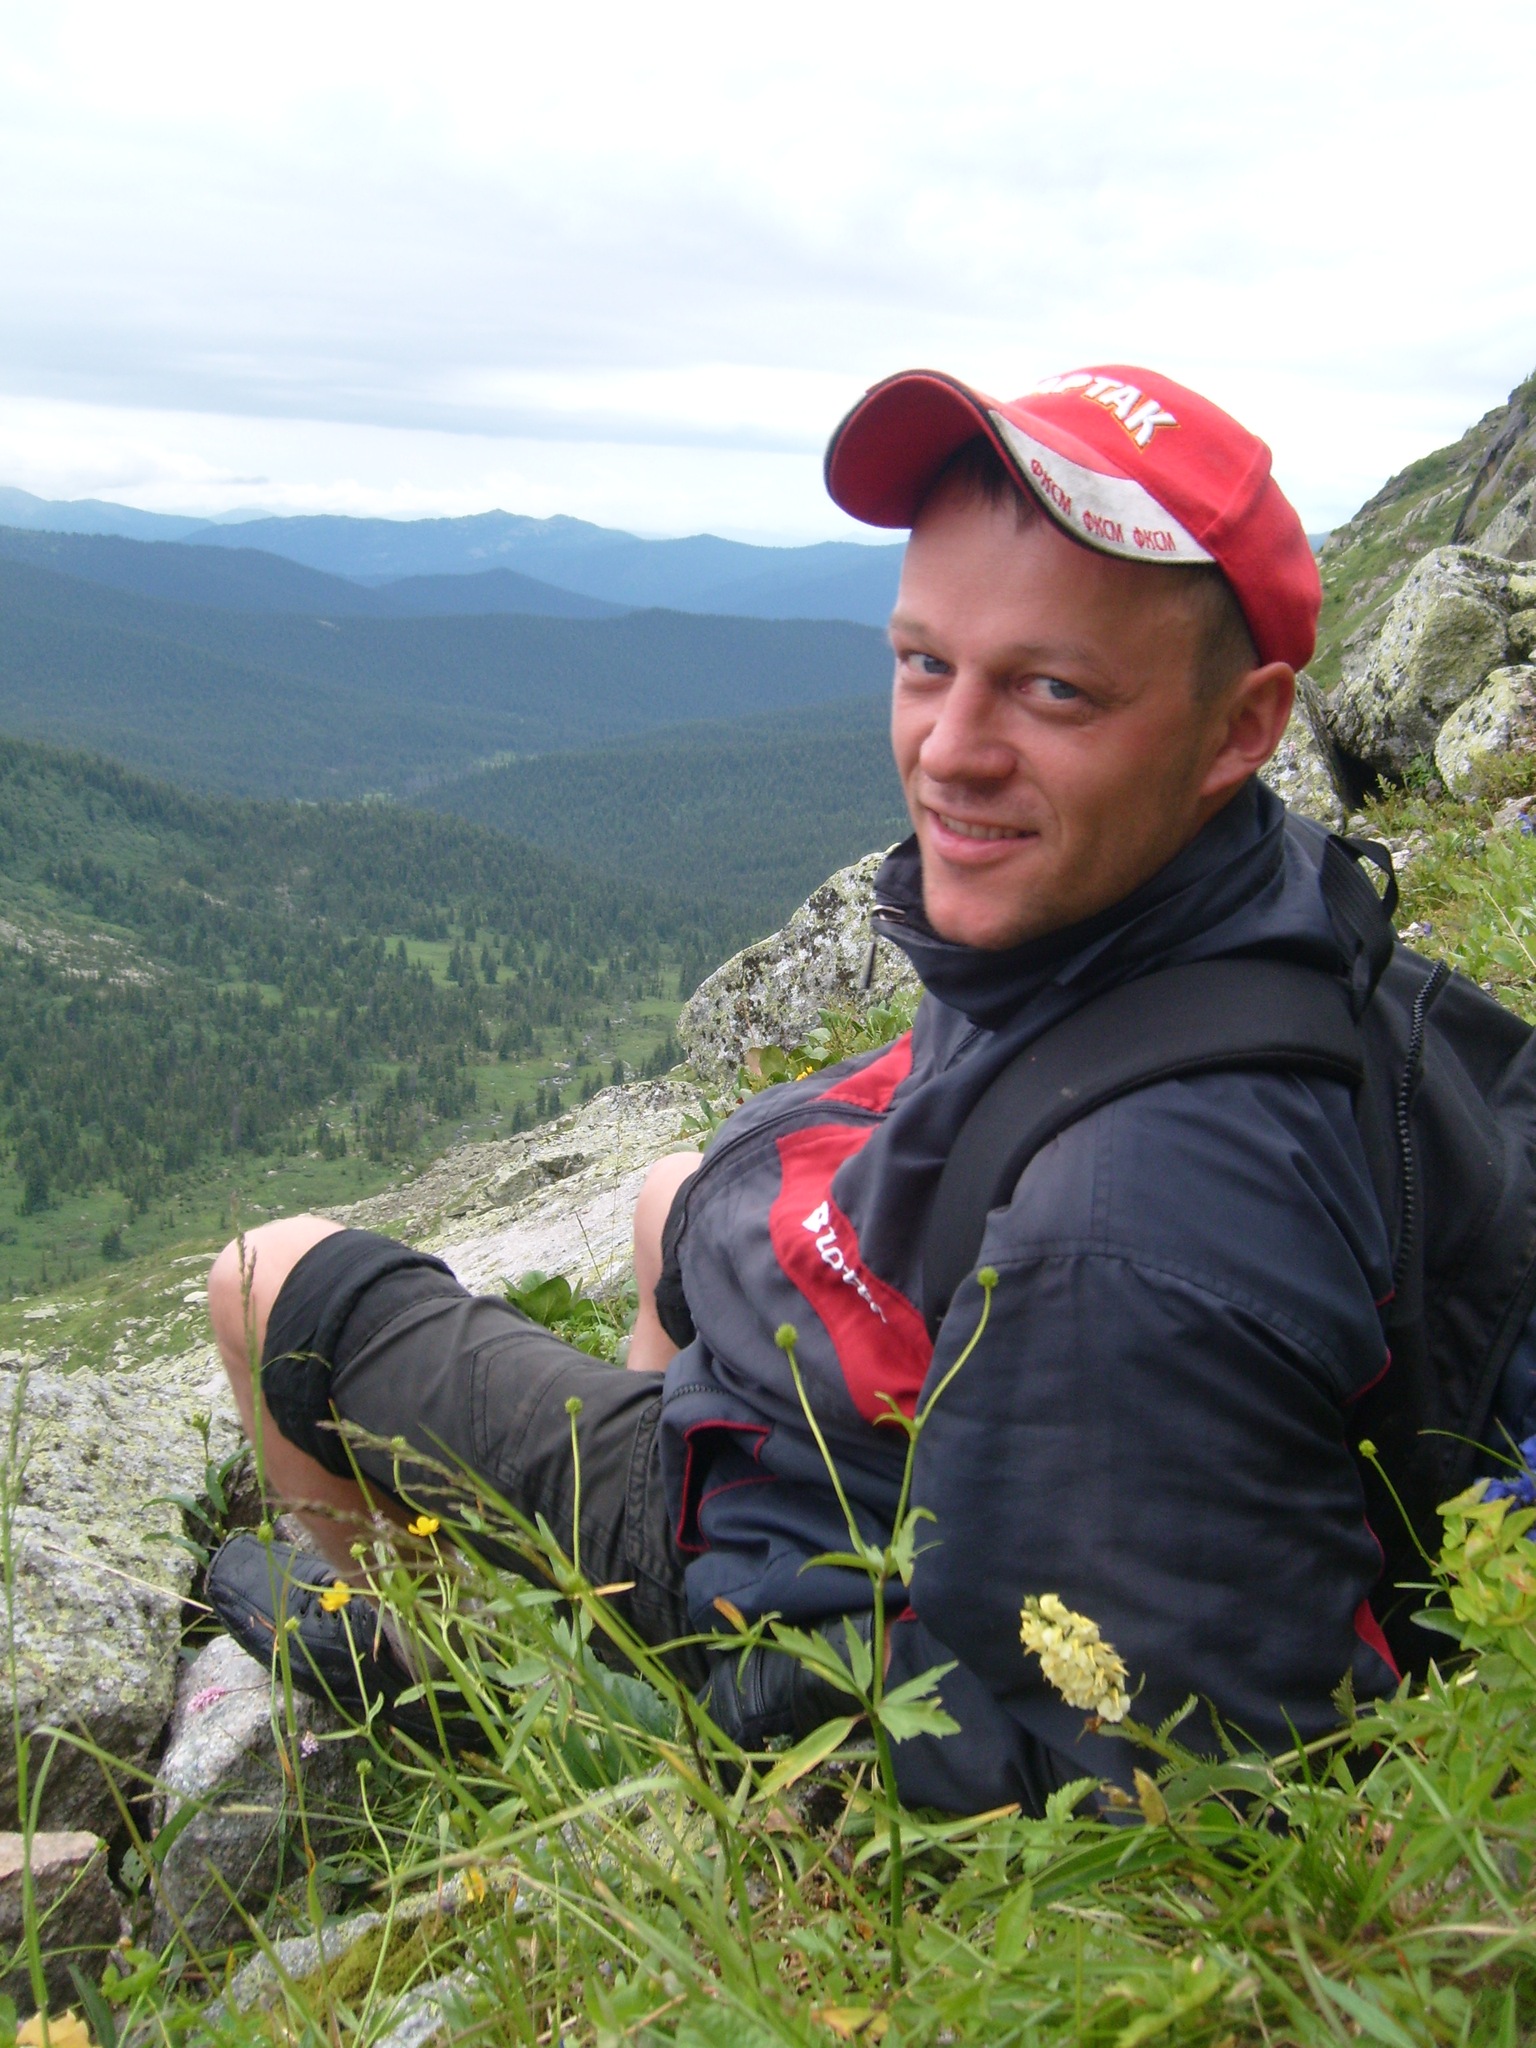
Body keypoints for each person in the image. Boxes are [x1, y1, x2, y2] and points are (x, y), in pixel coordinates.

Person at [206, 363, 1411, 1811]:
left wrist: (776, 1721)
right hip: (850, 1434)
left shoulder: (1126, 1231)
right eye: (925, 662)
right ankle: (601, 1587)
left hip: (794, 1595)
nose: (948, 752)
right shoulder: (1223, 899)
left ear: (1241, 728)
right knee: (673, 1198)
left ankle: (459, 1695)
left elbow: (1161, 1782)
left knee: (268, 1276)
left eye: (1053, 689)